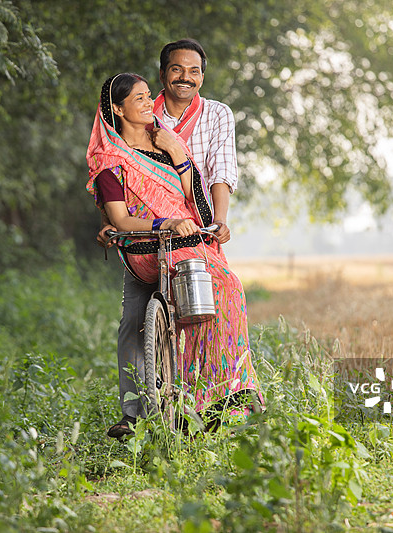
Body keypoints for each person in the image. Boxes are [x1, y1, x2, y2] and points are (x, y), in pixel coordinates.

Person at [86, 72, 261, 438]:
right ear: (117, 110)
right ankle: (134, 415)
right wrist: (165, 222)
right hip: (148, 248)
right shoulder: (112, 161)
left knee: (228, 288)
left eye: (149, 95)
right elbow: (119, 216)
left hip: (185, 241)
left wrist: (178, 152)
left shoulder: (165, 146)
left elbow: (196, 202)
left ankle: (218, 396)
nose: (150, 103)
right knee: (132, 324)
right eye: (138, 99)